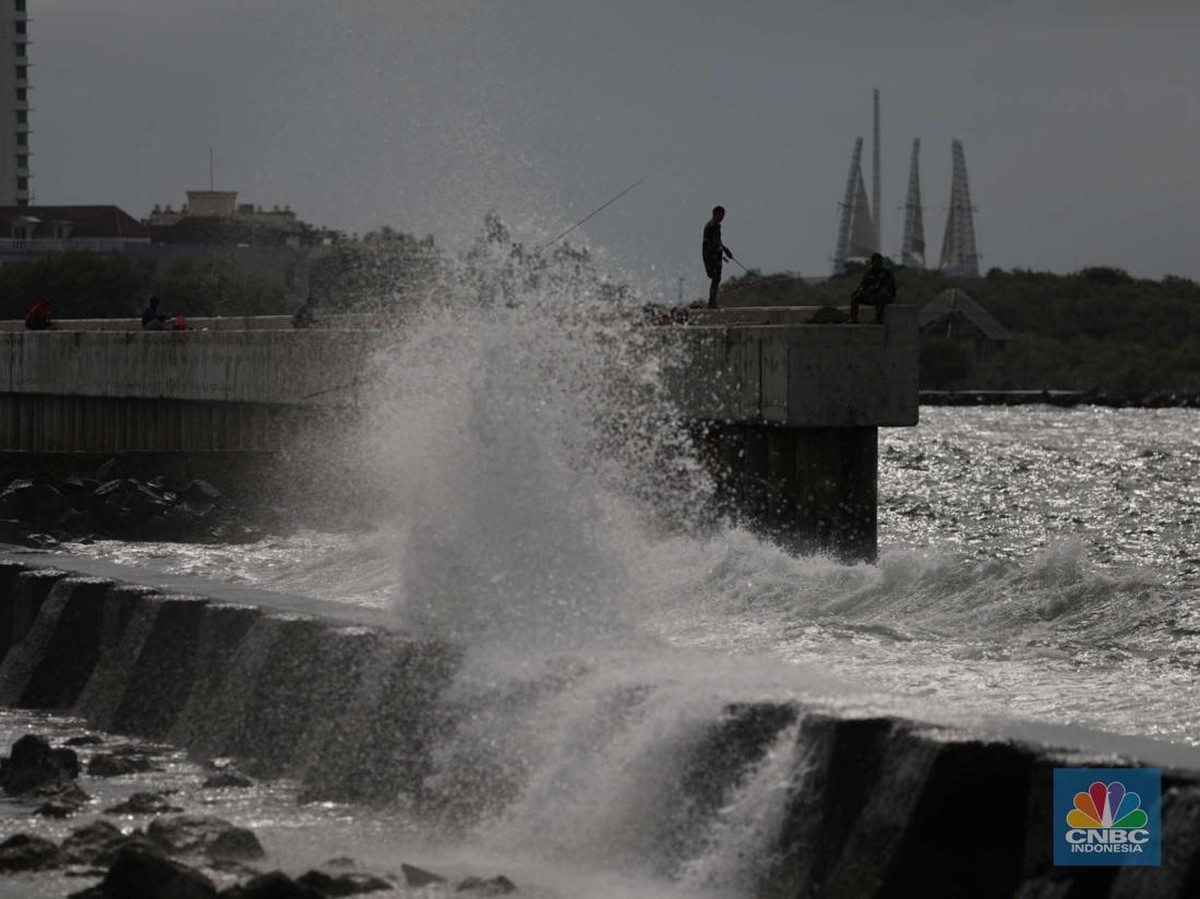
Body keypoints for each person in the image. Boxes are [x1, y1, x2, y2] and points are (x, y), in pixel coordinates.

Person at [849, 253, 897, 323]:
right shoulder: (868, 272)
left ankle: (879, 318)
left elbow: (891, 287)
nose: (878, 264)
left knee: (881, 294)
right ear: (872, 263)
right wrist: (861, 291)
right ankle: (853, 318)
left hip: (885, 296)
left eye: (880, 262)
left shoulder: (886, 272)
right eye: (876, 262)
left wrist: (879, 289)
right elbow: (863, 285)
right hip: (871, 295)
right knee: (854, 295)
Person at [702, 205, 734, 309]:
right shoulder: (714, 225)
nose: (722, 218)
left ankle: (712, 302)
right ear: (716, 214)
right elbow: (716, 242)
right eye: (721, 215)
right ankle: (712, 303)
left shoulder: (710, 225)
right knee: (716, 278)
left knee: (715, 278)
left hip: (709, 254)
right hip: (712, 255)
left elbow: (716, 241)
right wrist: (726, 250)